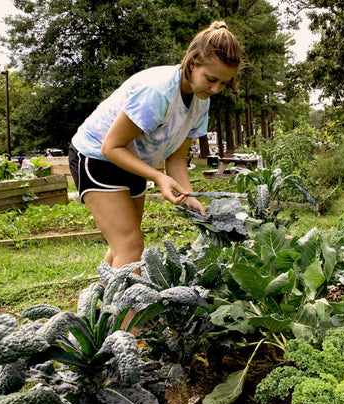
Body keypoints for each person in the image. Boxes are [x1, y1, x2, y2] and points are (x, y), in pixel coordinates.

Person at [68, 20, 242, 288]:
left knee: (122, 246)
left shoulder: (200, 100)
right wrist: (158, 178)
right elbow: (110, 147)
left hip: (133, 162)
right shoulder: (158, 91)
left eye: (223, 83)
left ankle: (100, 312)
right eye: (211, 79)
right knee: (130, 245)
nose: (216, 89)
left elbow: (175, 159)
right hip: (98, 157)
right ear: (192, 63)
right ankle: (126, 327)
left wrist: (188, 196)